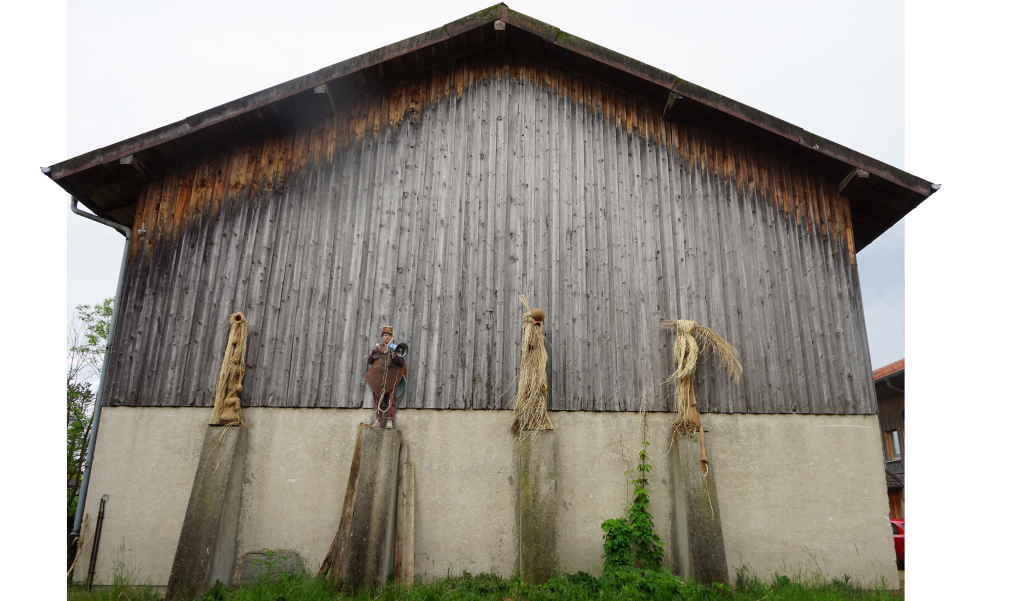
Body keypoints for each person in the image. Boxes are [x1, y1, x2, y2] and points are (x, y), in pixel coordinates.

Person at [365, 326, 405, 429]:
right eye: (385, 335)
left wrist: (395, 356)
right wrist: (374, 352)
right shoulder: (378, 348)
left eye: (389, 335)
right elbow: (369, 361)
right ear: (382, 337)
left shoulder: (396, 348)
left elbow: (401, 364)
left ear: (391, 337)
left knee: (391, 400)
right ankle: (377, 421)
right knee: (377, 399)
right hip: (378, 379)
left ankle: (389, 422)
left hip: (392, 378)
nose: (387, 337)